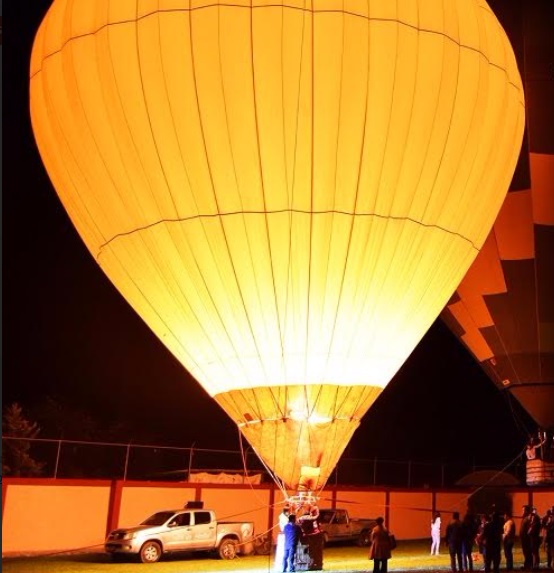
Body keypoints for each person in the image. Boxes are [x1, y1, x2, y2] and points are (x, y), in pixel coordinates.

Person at [521, 505, 534, 571]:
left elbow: (530, 528)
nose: (522, 511)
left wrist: (527, 535)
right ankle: (526, 565)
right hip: (524, 539)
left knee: (528, 552)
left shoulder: (527, 518)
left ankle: (530, 566)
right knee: (525, 552)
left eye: (523, 510)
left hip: (526, 539)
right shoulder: (524, 518)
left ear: (526, 511)